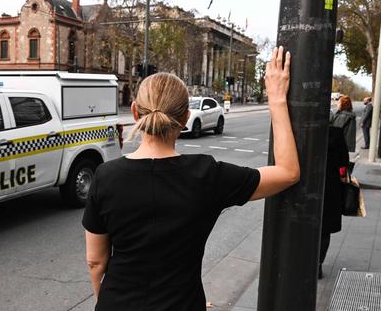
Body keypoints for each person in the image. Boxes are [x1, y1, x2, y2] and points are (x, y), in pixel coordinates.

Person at [83, 47, 299, 310]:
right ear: (185, 118)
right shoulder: (206, 174)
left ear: (136, 113)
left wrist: (103, 300)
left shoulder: (106, 176)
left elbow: (96, 262)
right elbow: (288, 173)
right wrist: (277, 99)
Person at [319, 126, 349, 279]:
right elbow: (344, 161)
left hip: (306, 186)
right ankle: (318, 264)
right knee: (325, 229)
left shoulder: (303, 128)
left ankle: (304, 260)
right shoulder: (336, 133)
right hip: (331, 186)